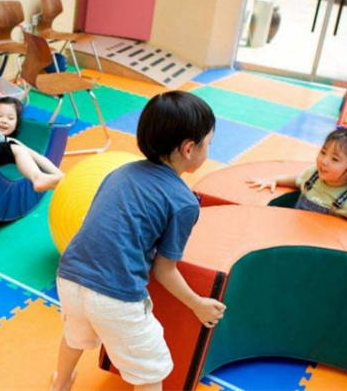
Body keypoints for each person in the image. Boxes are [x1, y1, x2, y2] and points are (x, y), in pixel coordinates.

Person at [50, 91, 226, 391]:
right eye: (208, 142)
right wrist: (197, 304)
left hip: (69, 277)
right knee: (150, 368)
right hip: (115, 297)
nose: (209, 148)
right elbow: (164, 270)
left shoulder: (120, 171)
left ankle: (61, 384)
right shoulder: (184, 201)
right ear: (188, 148)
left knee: (75, 335)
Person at [247, 126, 347, 274]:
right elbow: (298, 180)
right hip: (294, 233)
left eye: (334, 159)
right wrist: (275, 179)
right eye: (323, 152)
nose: (324, 161)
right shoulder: (314, 175)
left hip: (317, 251)